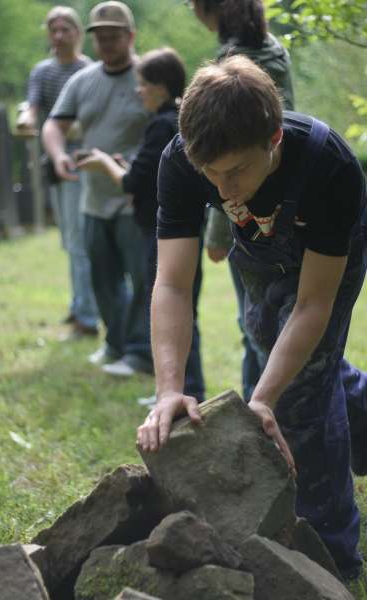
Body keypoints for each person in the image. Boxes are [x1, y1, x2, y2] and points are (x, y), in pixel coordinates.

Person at [137, 55, 367, 581]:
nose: (223, 190)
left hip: (331, 252)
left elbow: (312, 304)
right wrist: (169, 387)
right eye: (209, 174)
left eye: (236, 170)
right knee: (276, 342)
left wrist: (263, 401)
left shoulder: (328, 166)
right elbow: (172, 282)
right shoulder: (181, 161)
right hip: (259, 250)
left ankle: (330, 555)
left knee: (301, 391)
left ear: (275, 138)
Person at [76, 47, 205, 400]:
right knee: (180, 310)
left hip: (166, 235)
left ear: (161, 88)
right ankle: (182, 388)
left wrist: (105, 163)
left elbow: (133, 183)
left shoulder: (162, 125)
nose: (138, 91)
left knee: (177, 311)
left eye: (143, 84)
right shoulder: (174, 123)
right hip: (175, 232)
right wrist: (127, 163)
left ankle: (188, 389)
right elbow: (148, 173)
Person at [188, 0, 295, 401]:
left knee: (258, 323)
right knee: (262, 322)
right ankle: (257, 402)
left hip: (254, 212)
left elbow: (229, 164)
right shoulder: (274, 49)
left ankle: (261, 406)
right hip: (273, 198)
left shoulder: (236, 64)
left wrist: (218, 233)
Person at [42, 1, 152, 375]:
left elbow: (170, 123)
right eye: (100, 36)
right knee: (102, 278)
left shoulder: (147, 78)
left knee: (141, 279)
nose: (106, 43)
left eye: (113, 36)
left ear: (131, 36)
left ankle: (140, 352)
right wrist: (58, 155)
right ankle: (114, 344)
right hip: (93, 199)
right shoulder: (82, 80)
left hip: (133, 199)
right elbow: (54, 125)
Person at [17, 6, 99, 339]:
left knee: (79, 241)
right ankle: (80, 302)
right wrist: (27, 117)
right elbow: (33, 104)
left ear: (78, 33)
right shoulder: (42, 71)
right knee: (68, 239)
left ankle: (88, 317)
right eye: (54, 30)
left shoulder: (91, 71)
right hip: (54, 163)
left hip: (83, 165)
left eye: (66, 29)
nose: (59, 36)